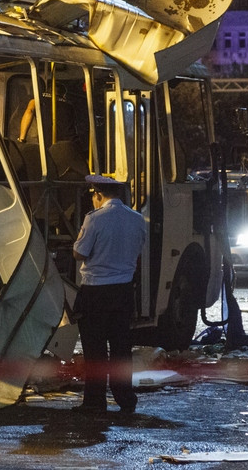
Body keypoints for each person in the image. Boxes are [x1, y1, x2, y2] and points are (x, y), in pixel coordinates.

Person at [71, 174, 146, 415]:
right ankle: (125, 399)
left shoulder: (94, 219)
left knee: (95, 350)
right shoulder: (137, 219)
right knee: (121, 348)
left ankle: (95, 401)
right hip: (123, 291)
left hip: (95, 292)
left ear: (98, 195)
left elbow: (80, 253)